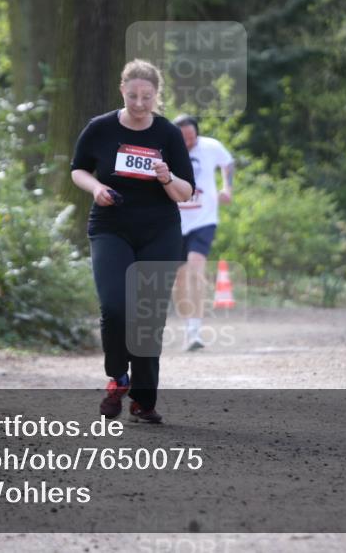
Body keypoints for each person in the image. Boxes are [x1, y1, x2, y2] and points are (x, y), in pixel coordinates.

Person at [70, 59, 194, 424]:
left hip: (160, 233)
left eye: (148, 97)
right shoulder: (100, 129)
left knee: (149, 316)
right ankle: (117, 377)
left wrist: (166, 177)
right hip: (111, 227)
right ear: (122, 91)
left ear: (157, 96)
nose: (140, 104)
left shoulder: (168, 134)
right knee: (115, 307)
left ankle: (143, 399)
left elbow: (185, 193)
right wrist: (96, 188)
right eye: (134, 96)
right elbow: (78, 168)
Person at [171, 114, 234, 351]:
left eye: (192, 138)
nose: (188, 143)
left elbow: (228, 163)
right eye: (183, 139)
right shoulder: (166, 149)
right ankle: (188, 327)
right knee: (180, 279)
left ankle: (195, 333)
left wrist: (227, 187)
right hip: (175, 222)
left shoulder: (211, 146)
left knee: (195, 270)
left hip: (204, 219)